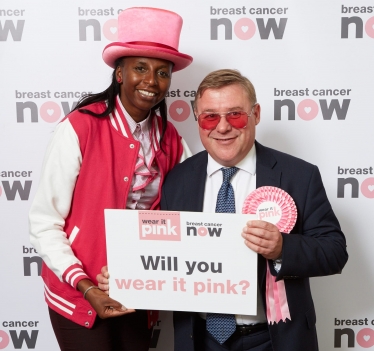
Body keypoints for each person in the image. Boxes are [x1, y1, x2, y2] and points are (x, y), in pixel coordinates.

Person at [28, 7, 192, 351]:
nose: (151, 81)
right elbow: (44, 223)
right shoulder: (80, 127)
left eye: (162, 72)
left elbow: (193, 208)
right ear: (119, 73)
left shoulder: (171, 139)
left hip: (138, 286)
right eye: (140, 68)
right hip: (78, 289)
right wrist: (87, 286)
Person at [158, 69, 348, 351]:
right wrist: (125, 275)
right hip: (201, 340)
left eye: (235, 115)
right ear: (197, 119)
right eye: (210, 116)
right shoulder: (178, 179)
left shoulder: (299, 175)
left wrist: (283, 247)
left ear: (255, 114)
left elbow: (335, 252)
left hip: (274, 340)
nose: (222, 127)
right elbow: (163, 255)